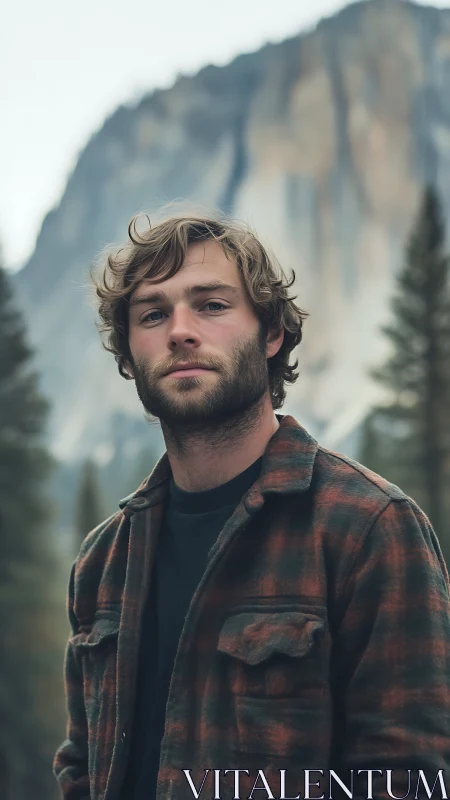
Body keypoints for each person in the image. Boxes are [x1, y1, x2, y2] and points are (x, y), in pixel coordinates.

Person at [53, 213, 450, 800]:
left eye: (211, 305)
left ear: (271, 335)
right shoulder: (102, 561)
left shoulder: (369, 528)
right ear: (128, 356)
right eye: (153, 315)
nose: (180, 331)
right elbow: (81, 768)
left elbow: (407, 780)